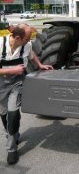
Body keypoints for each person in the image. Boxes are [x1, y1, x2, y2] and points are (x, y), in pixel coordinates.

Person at [0, 23, 53, 165]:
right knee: (4, 116)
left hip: (17, 84)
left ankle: (11, 149)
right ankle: (13, 134)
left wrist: (40, 65)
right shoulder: (0, 44)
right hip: (1, 85)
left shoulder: (26, 45)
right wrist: (11, 71)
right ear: (17, 37)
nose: (30, 41)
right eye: (27, 38)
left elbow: (31, 54)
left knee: (13, 114)